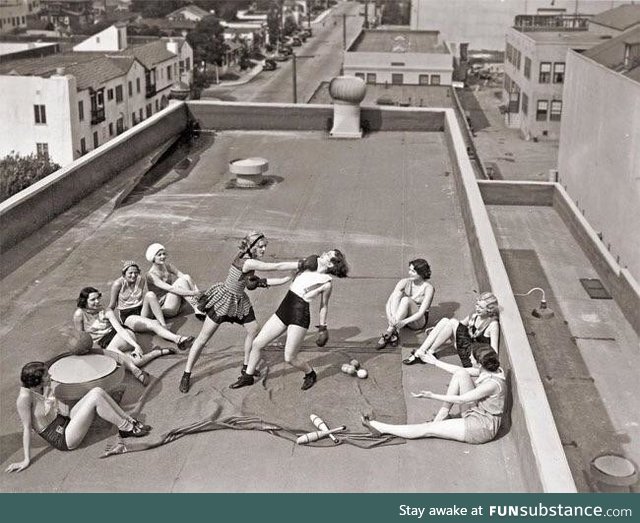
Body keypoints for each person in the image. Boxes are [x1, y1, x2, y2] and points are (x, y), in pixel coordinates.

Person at [179, 232, 301, 393]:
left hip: (238, 300)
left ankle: (246, 366)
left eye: (265, 246)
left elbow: (257, 281)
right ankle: (186, 374)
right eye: (261, 246)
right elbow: (275, 267)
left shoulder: (247, 257)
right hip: (224, 299)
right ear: (252, 247)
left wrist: (287, 278)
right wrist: (300, 264)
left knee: (253, 329)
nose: (264, 249)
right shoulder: (248, 261)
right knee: (203, 338)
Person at [230, 249, 349, 391]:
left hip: (299, 315)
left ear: (331, 265)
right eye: (326, 251)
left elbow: (324, 306)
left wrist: (323, 327)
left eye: (328, 255)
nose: (324, 253)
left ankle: (310, 373)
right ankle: (248, 377)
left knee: (290, 358)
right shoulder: (307, 265)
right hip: (284, 308)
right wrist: (262, 282)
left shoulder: (327, 283)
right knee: (257, 344)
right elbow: (285, 278)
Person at [5, 362, 150, 472]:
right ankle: (127, 427)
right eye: (46, 376)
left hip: (65, 422)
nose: (50, 376)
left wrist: (52, 398)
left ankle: (128, 421)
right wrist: (25, 460)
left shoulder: (40, 388)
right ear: (37, 381)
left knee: (96, 391)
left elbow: (53, 409)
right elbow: (26, 429)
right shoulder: (24, 399)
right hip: (62, 438)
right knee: (94, 399)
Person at [362, 343, 506, 444]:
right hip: (478, 412)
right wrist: (435, 362)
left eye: (472, 357)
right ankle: (441, 417)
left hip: (480, 428)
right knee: (461, 373)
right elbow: (457, 371)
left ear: (479, 363)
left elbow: (462, 400)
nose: (469, 358)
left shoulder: (491, 384)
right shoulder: (489, 370)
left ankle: (381, 428)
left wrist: (432, 396)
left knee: (428, 429)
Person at [73, 287, 175, 385]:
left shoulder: (106, 311)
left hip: (122, 336)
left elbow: (120, 330)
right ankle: (156, 353)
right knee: (137, 361)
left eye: (97, 298)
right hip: (105, 344)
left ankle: (136, 372)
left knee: (113, 351)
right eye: (92, 299)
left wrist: (136, 346)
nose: (97, 301)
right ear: (84, 301)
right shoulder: (79, 314)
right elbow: (81, 337)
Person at [107, 260, 194, 351]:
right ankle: (179, 339)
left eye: (136, 273)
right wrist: (107, 318)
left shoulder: (141, 280)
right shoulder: (118, 284)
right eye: (130, 273)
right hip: (128, 316)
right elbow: (112, 305)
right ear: (124, 274)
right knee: (153, 324)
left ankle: (163, 325)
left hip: (141, 311)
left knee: (150, 294)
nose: (133, 275)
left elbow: (150, 296)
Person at [402, 292, 499, 367]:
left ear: (489, 310)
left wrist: (484, 366)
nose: (477, 308)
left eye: (481, 307)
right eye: (477, 305)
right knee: (445, 321)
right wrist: (438, 329)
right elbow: (460, 324)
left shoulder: (492, 324)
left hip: (472, 358)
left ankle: (426, 353)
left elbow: (494, 351)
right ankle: (425, 352)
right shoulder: (475, 314)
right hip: (465, 346)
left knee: (452, 321)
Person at [376, 258, 434, 350]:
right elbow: (389, 303)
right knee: (397, 294)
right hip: (400, 317)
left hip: (417, 321)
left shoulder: (428, 288)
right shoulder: (404, 282)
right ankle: (394, 331)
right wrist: (390, 318)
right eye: (409, 270)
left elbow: (421, 313)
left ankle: (390, 331)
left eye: (413, 271)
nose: (409, 273)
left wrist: (403, 322)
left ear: (422, 273)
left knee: (406, 300)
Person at [145, 243, 204, 319]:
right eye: (159, 255)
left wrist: (196, 290)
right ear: (153, 257)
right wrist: (193, 293)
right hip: (165, 307)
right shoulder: (151, 275)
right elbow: (171, 289)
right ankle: (197, 308)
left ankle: (198, 302)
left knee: (186, 276)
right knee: (179, 283)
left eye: (164, 254)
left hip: (174, 302)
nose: (163, 256)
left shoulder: (168, 266)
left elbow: (184, 277)